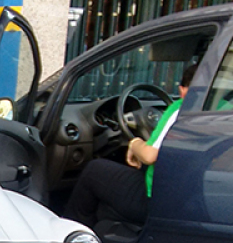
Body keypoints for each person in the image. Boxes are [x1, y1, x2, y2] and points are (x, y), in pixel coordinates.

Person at [64, 63, 197, 231]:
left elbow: (149, 155)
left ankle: (72, 239)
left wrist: (134, 145)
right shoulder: (226, 109)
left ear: (182, 90)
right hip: (190, 198)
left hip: (157, 200)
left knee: (94, 170)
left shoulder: (181, 109)